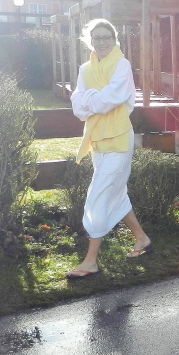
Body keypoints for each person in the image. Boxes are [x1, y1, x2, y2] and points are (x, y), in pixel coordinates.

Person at [66, 19, 152, 279]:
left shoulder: (122, 65)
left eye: (106, 37)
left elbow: (112, 98)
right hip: (98, 139)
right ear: (90, 41)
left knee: (99, 194)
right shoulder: (85, 69)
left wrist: (91, 98)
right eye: (97, 38)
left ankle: (90, 260)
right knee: (115, 191)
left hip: (119, 138)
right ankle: (142, 238)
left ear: (114, 39)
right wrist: (95, 99)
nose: (102, 42)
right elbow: (77, 106)